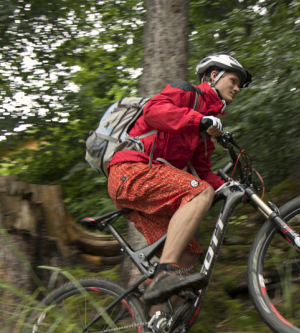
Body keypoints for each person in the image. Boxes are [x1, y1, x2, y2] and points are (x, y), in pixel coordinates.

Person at [107, 53, 252, 307]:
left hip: (145, 185)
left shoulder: (206, 130)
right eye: (234, 79)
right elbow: (153, 112)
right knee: (200, 193)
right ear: (214, 75)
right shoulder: (187, 93)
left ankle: (151, 326)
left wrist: (234, 188)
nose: (238, 87)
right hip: (129, 171)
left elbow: (202, 173)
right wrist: (199, 120)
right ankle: (164, 273)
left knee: (187, 254)